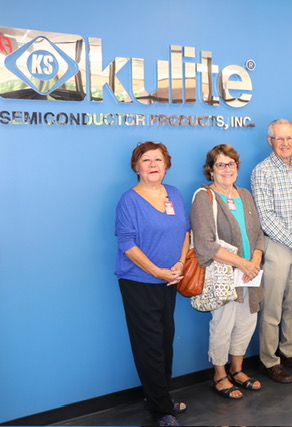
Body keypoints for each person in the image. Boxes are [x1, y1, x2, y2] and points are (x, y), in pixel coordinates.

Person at [115, 141, 190, 427]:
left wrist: (180, 264)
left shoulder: (174, 193)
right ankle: (161, 410)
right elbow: (127, 244)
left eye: (158, 159)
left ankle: (159, 396)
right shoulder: (129, 200)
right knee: (149, 346)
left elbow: (185, 232)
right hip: (139, 283)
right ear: (136, 167)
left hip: (170, 280)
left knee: (165, 341)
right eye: (146, 160)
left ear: (166, 164)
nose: (153, 165)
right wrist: (158, 272)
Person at [191, 144, 265, 400]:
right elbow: (205, 244)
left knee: (246, 322)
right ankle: (220, 374)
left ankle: (237, 369)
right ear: (210, 170)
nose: (226, 169)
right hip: (225, 275)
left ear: (237, 167)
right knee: (223, 324)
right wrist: (242, 263)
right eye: (220, 164)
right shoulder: (204, 197)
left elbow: (258, 234)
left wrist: (255, 259)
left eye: (230, 164)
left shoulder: (244, 194)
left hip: (250, 273)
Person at [251, 119, 292, 383]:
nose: (285, 143)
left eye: (289, 138)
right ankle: (269, 360)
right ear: (270, 141)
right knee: (272, 307)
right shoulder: (262, 171)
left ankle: (290, 350)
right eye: (279, 138)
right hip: (278, 246)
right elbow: (265, 216)